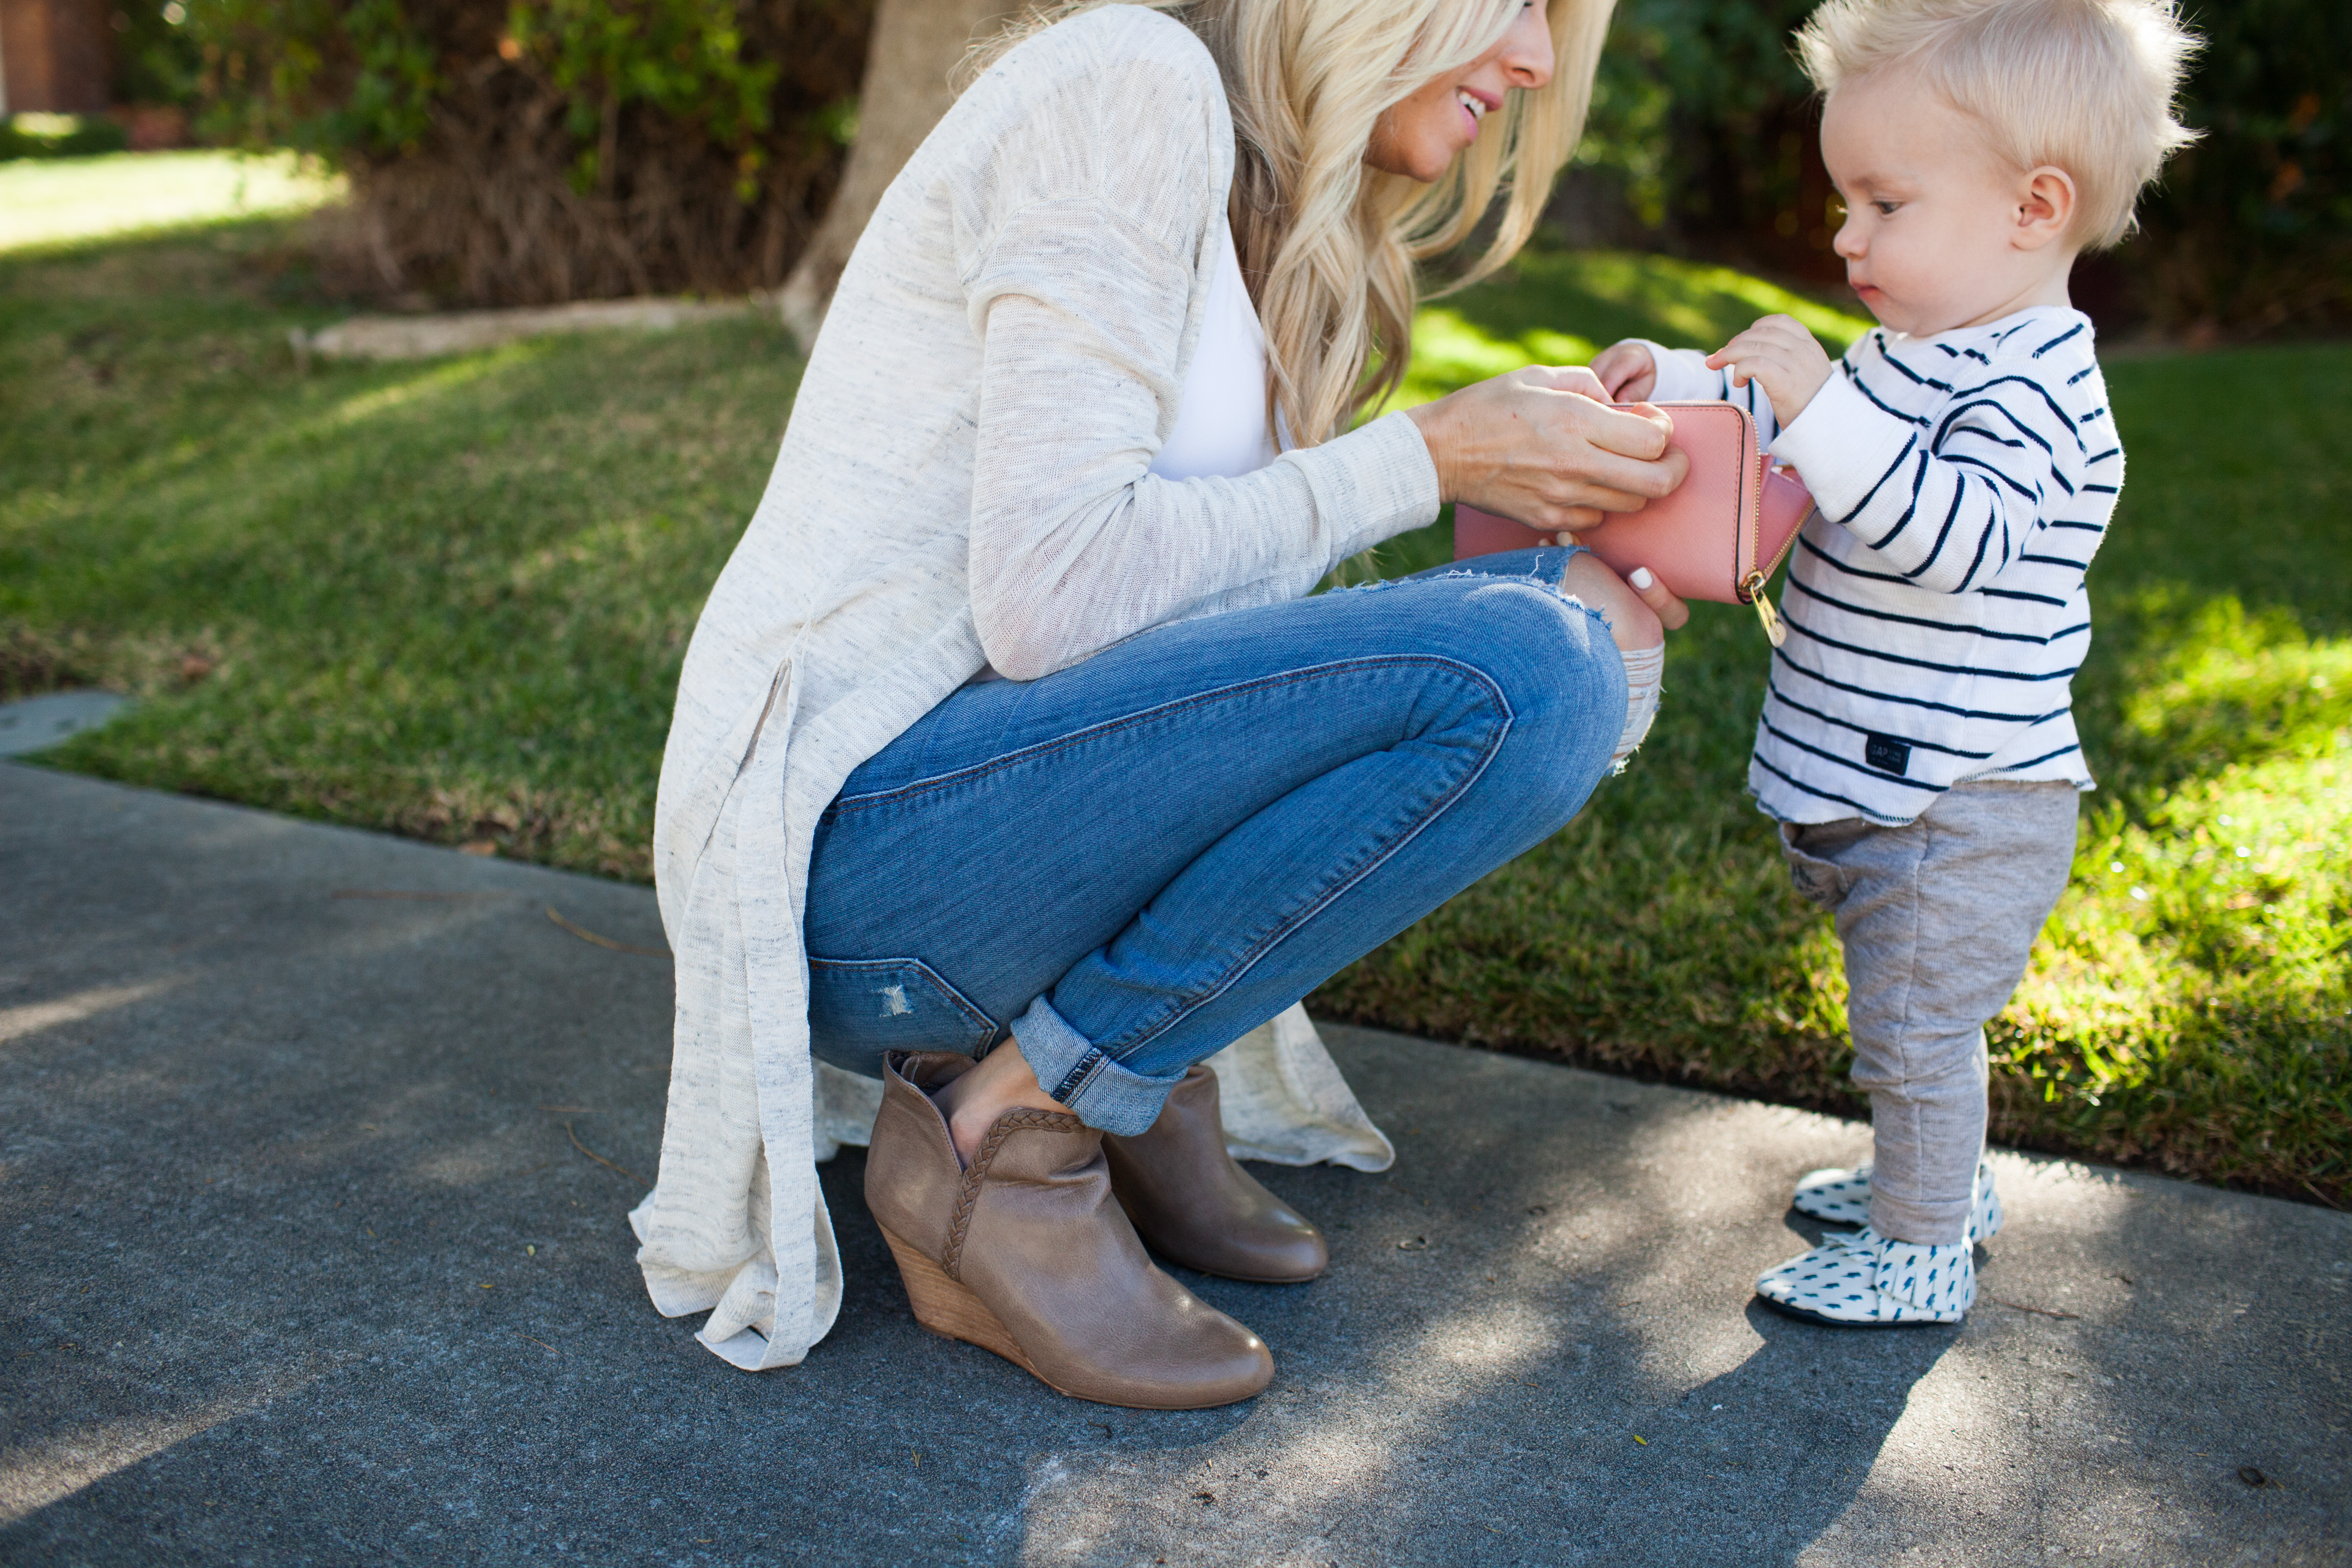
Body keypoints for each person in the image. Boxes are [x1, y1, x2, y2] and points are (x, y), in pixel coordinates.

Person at [629, 0, 1695, 1405]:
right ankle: (1005, 1138)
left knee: (1567, 647)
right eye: (1518, 4)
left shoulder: (1298, 225)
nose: (1541, 62)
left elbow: (1210, 676)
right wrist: (1430, 458)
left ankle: (1116, 1077)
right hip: (847, 862)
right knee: (1532, 672)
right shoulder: (1124, 80)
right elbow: (1049, 597)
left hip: (973, 849)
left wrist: (1547, 545)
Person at [1588, 0, 2199, 1325]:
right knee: (1908, 1026)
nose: (1844, 235)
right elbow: (1785, 432)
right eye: (1844, 201)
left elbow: (1957, 538)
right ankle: (1937, 1185)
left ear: (2034, 209)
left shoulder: (2039, 391)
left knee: (1915, 1032)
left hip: (1960, 800)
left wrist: (1829, 406)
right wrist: (1683, 377)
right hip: (1881, 778)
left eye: (1883, 203)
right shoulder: (1911, 358)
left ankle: (1921, 1249)